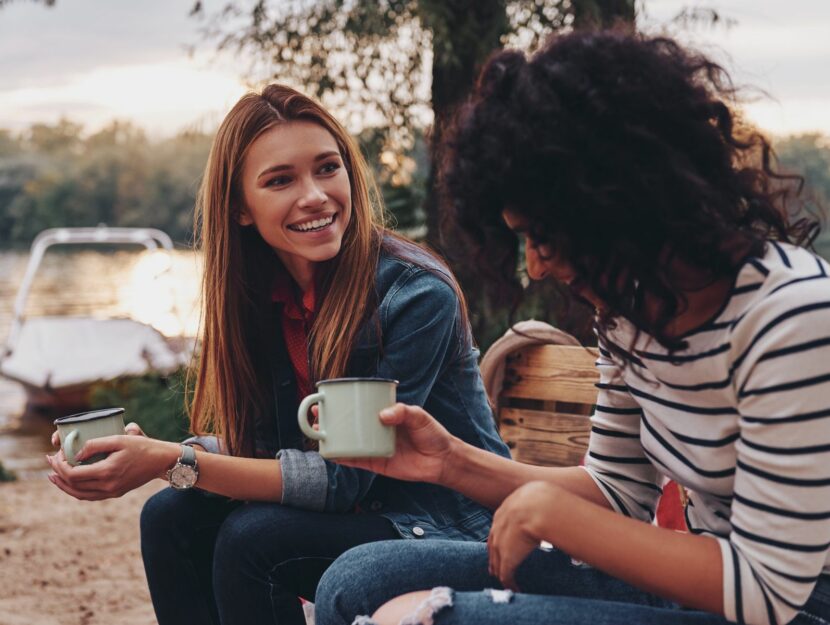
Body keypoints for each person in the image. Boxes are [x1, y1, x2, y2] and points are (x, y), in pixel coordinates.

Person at [314, 30, 830, 625]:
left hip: (795, 606)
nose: (534, 265)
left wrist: (554, 517)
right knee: (358, 580)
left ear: (623, 204)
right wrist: (451, 463)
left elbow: (767, 590)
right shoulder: (634, 314)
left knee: (433, 618)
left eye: (545, 235)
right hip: (696, 587)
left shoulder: (792, 318)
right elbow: (618, 491)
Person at [45, 84, 509, 625]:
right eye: (280, 180)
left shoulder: (414, 294)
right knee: (169, 515)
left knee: (255, 540)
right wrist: (156, 455)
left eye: (327, 168)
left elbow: (340, 480)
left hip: (452, 531)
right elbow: (270, 449)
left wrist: (175, 461)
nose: (314, 195)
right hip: (366, 518)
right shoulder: (261, 297)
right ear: (241, 208)